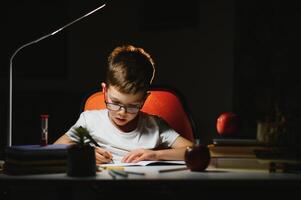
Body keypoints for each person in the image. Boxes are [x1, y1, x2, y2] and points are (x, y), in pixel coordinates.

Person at [54, 44, 193, 164]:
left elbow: (195, 150)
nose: (122, 112)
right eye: (115, 102)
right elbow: (56, 148)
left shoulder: (155, 126)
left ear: (144, 99)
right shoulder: (89, 120)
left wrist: (156, 155)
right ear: (104, 91)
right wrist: (85, 154)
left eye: (132, 106)